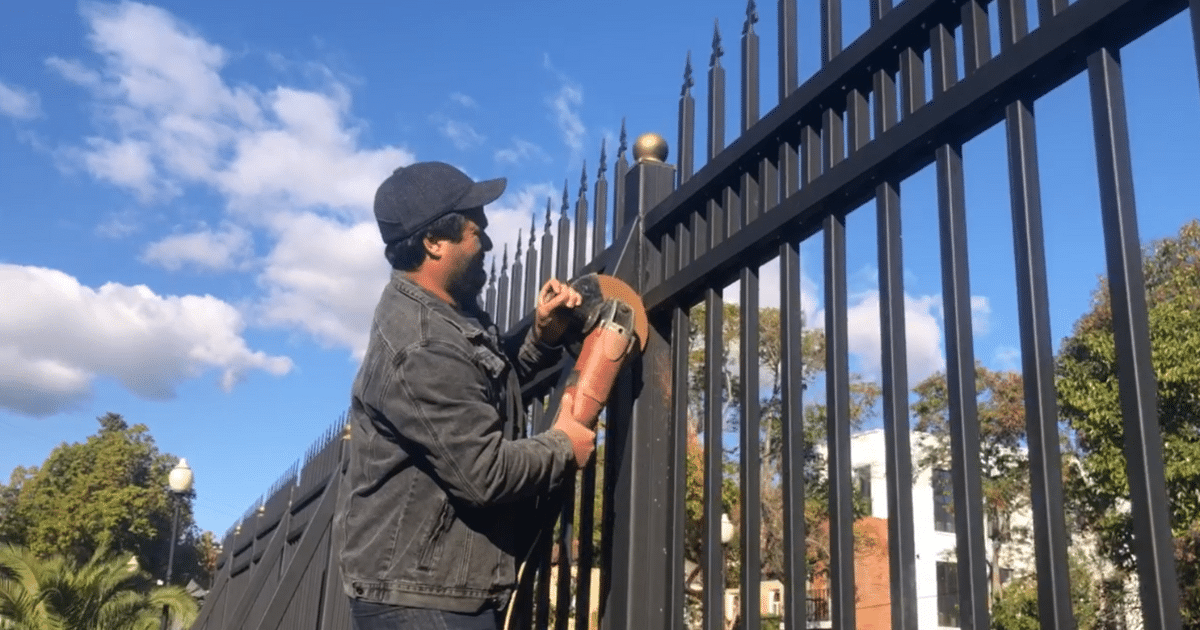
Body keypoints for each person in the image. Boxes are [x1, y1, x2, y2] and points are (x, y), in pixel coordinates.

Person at [333, 161, 598, 630]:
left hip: (437, 591)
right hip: (422, 603)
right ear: (434, 243)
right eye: (477, 232)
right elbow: (485, 472)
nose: (490, 244)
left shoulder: (450, 316)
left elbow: (479, 388)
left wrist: (540, 334)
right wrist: (563, 443)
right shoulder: (422, 343)